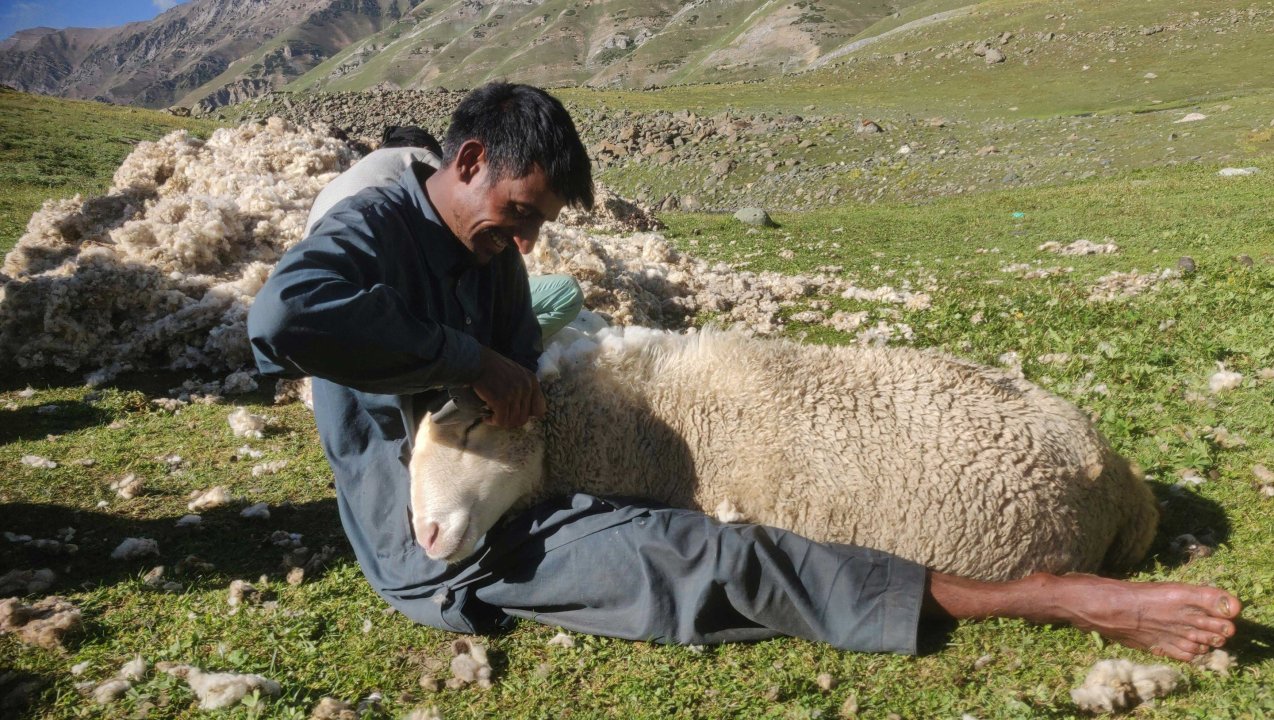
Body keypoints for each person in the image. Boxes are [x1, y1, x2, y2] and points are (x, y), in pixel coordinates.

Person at [248, 82, 1241, 662]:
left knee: (718, 485)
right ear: (466, 160)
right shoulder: (371, 224)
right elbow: (286, 315)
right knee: (709, 555)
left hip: (505, 475)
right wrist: (469, 360)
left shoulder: (489, 253)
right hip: (435, 532)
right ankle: (1047, 597)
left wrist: (522, 359)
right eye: (522, 210)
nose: (525, 235)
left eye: (540, 222)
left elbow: (529, 368)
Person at [305, 123, 584, 339]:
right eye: (522, 212)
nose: (527, 243)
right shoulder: (421, 165)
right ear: (465, 162)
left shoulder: (351, 179)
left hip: (349, 311)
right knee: (566, 292)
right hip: (395, 321)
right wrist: (475, 360)